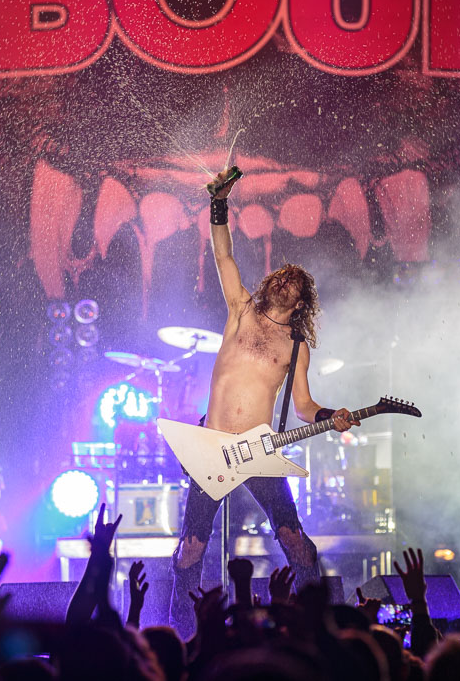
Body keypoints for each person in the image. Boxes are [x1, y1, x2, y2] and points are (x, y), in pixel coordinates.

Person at [168, 168, 360, 636]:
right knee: (191, 547)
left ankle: (317, 625)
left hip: (258, 452)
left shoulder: (297, 346)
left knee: (294, 541)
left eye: (293, 282)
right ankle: (180, 631)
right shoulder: (241, 308)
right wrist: (219, 203)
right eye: (281, 276)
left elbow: (302, 407)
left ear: (300, 301)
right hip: (211, 445)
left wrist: (329, 415)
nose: (283, 282)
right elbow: (223, 252)